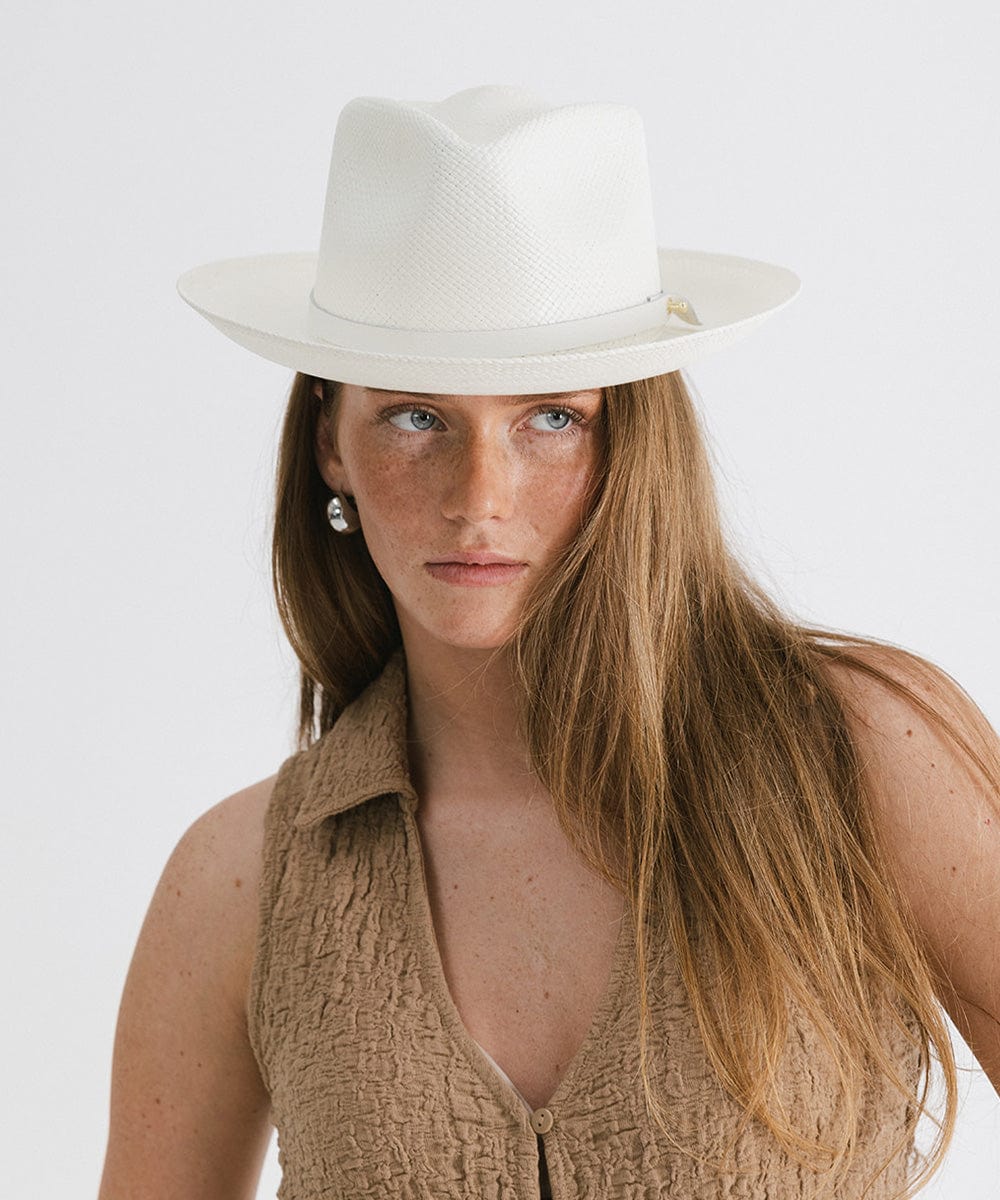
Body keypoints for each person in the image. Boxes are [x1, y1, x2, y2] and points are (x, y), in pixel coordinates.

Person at [97, 85, 1000, 1200]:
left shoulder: (855, 753)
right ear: (331, 440)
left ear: (633, 438)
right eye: (417, 416)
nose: (479, 497)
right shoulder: (242, 881)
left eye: (551, 418)